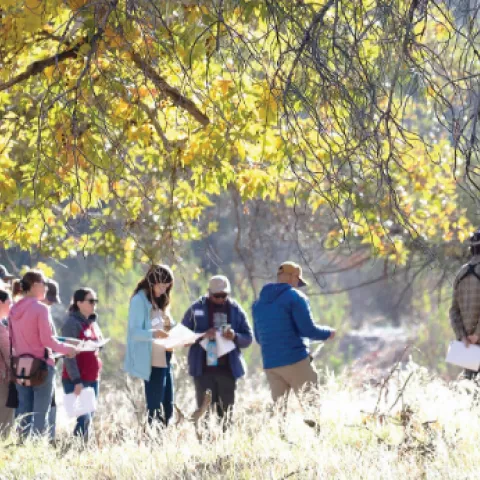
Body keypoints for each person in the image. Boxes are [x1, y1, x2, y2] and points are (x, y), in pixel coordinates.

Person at [252, 261, 335, 406]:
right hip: (296, 361)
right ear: (293, 277)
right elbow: (307, 330)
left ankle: (279, 430)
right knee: (312, 408)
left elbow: (259, 338)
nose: (297, 284)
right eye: (297, 280)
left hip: (271, 365)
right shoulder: (296, 297)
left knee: (279, 413)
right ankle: (314, 429)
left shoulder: (258, 304)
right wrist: (328, 333)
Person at [9, 270, 77, 439]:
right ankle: (37, 449)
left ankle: (21, 446)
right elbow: (47, 340)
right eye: (44, 283)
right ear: (34, 285)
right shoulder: (41, 308)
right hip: (41, 367)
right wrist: (67, 349)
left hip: (20, 366)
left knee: (23, 412)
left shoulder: (13, 309)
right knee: (41, 413)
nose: (46, 287)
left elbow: (13, 341)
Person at [182, 275, 253, 426]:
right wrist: (202, 334)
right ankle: (204, 446)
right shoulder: (196, 309)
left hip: (227, 371)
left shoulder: (235, 310)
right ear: (209, 292)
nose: (221, 299)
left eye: (224, 295)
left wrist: (234, 336)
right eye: (217, 296)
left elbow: (248, 338)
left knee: (226, 417)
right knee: (203, 417)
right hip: (203, 371)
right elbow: (182, 336)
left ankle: (225, 446)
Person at [124, 265, 175, 427]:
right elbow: (134, 332)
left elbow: (168, 324)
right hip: (151, 360)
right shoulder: (139, 300)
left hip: (166, 357)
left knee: (168, 405)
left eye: (167, 287)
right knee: (155, 407)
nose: (164, 290)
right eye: (162, 286)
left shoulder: (160, 300)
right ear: (152, 281)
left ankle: (165, 440)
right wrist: (154, 334)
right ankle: (154, 440)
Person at [61, 288, 103, 439]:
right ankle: (77, 447)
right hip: (78, 378)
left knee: (89, 416)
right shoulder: (71, 323)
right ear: (79, 303)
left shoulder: (92, 322)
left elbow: (99, 343)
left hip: (93, 377)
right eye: (91, 301)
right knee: (84, 417)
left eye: (95, 301)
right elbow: (68, 354)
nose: (94, 304)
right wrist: (76, 380)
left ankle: (81, 448)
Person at [450, 228, 480, 380]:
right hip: (474, 341)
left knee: (471, 393)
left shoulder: (460, 273)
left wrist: (463, 337)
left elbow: (453, 311)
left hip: (467, 347)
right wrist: (477, 335)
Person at [0, 289, 14, 437]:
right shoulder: (0, 329)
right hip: (2, 381)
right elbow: (9, 356)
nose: (11, 306)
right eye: (9, 302)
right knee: (4, 421)